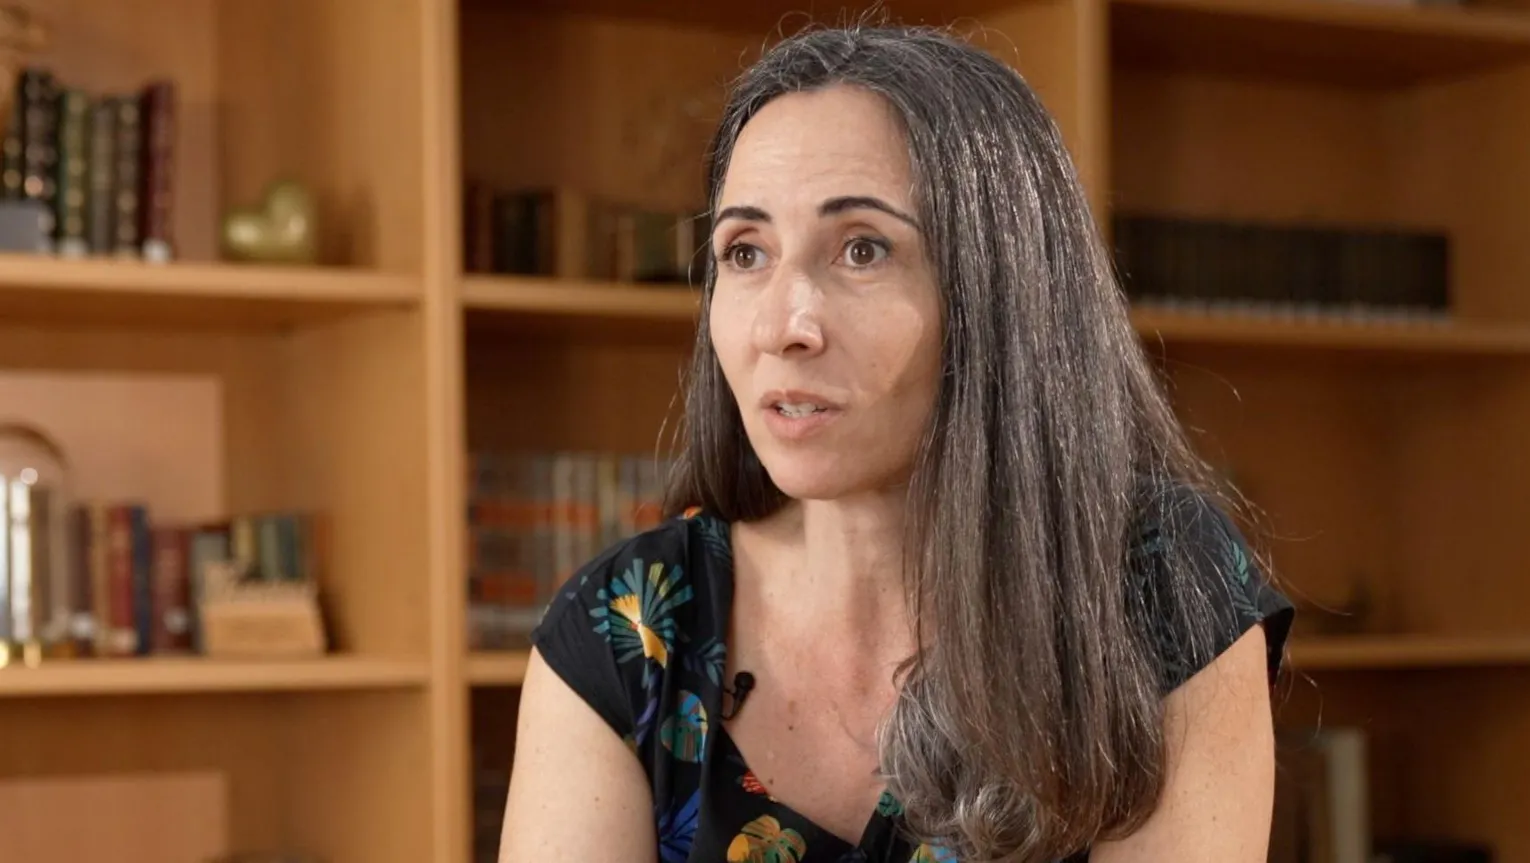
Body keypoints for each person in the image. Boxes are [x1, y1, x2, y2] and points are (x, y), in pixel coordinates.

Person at [500, 20, 1294, 863]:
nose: (783, 324)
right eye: (745, 251)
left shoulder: (1159, 588)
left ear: (997, 291)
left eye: (862, 249)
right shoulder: (629, 627)